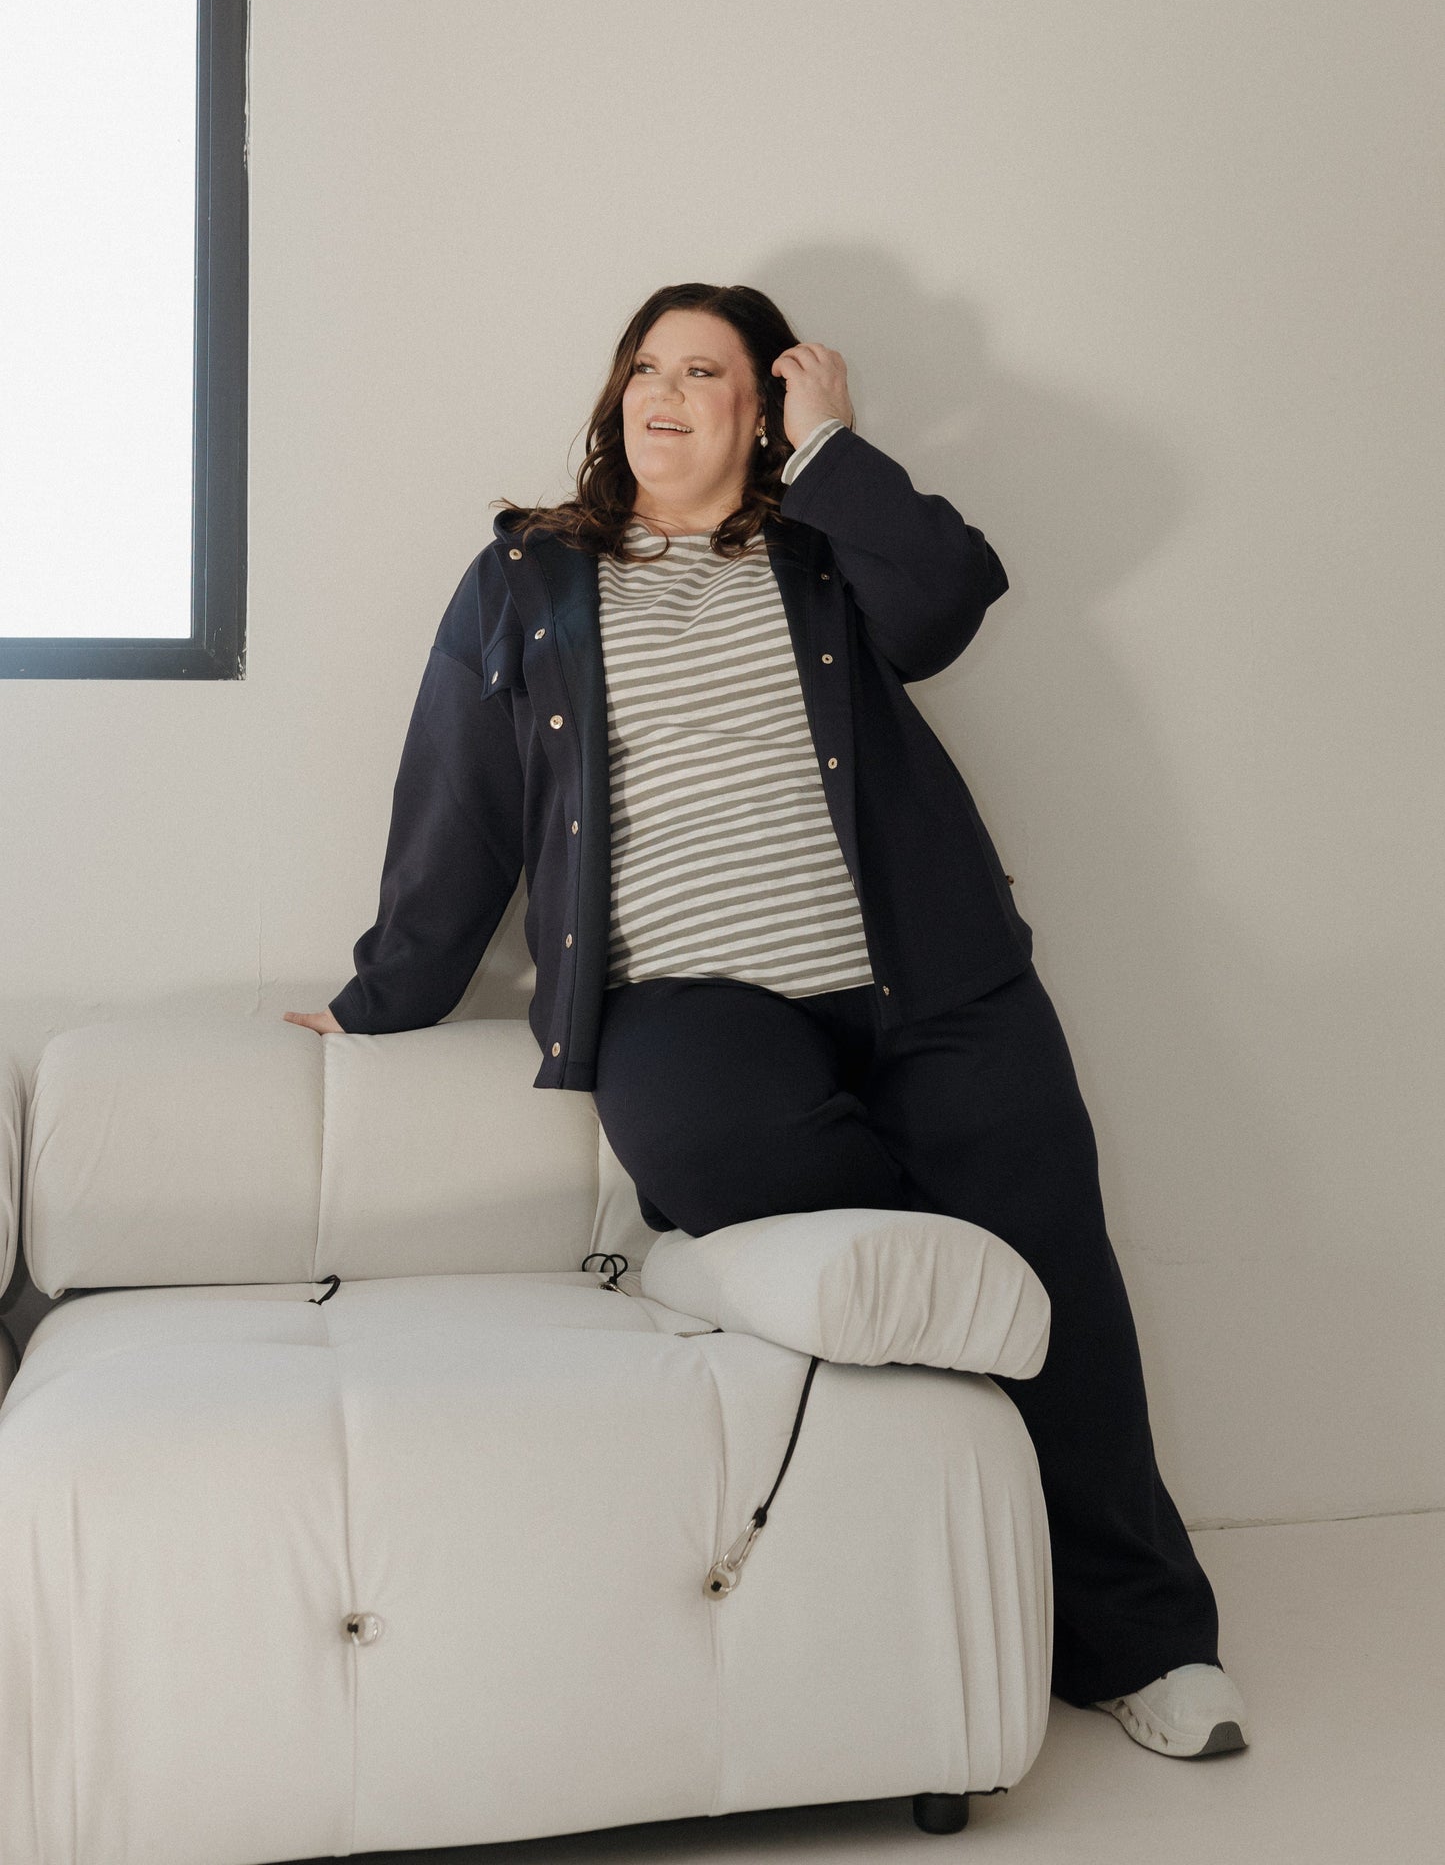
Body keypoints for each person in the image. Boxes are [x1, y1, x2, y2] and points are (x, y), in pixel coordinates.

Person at [286, 281, 1250, 1760]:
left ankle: (1138, 1642)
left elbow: (949, 601)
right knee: (712, 1139)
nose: (662, 393)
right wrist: (382, 997)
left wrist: (837, 445)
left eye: (707, 371)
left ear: (762, 405)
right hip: (691, 998)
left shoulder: (823, 548)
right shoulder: (529, 575)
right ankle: (923, 1243)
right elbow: (459, 806)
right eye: (643, 368)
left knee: (1062, 1279)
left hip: (935, 977)